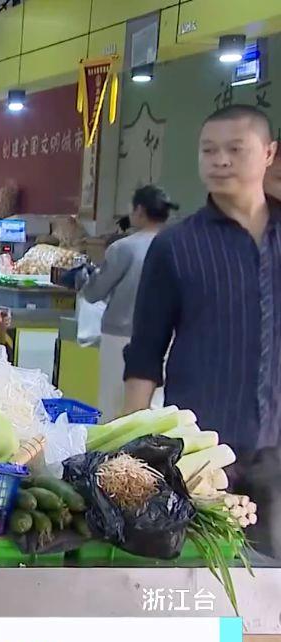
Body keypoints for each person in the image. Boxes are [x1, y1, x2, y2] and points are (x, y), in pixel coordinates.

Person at [124, 104, 281, 557]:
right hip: (199, 451)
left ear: (269, 153)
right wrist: (129, 447)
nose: (220, 160)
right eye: (208, 150)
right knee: (200, 574)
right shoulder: (176, 246)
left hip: (277, 451)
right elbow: (145, 351)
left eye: (235, 149)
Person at [80, 185, 178, 420]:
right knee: (154, 406)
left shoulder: (123, 248)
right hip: (168, 337)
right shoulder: (177, 246)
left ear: (140, 210)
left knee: (114, 403)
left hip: (121, 335)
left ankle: (115, 446)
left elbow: (94, 293)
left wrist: (83, 279)